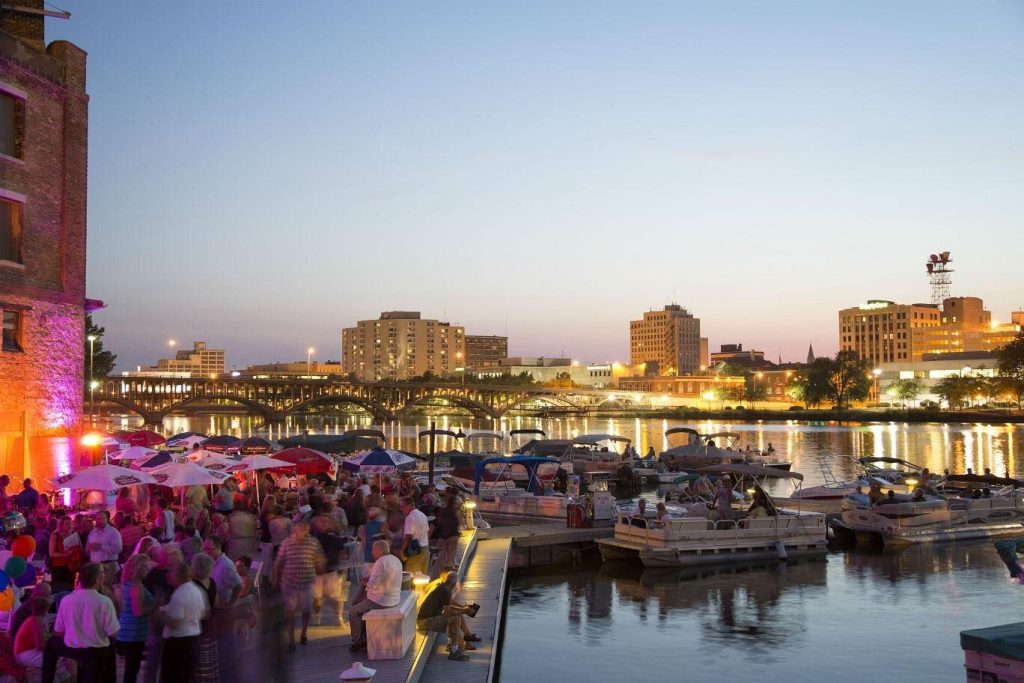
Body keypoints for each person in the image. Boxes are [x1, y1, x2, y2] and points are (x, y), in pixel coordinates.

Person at [41, 562, 120, 683]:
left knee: (51, 645)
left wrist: (76, 634)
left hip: (71, 648)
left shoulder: (66, 599)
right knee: (109, 648)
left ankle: (47, 679)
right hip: (95, 651)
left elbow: (58, 630)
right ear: (98, 578)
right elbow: (113, 632)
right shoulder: (104, 601)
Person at [273, 520, 325, 653]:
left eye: (305, 529)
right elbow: (279, 563)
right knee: (289, 612)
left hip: (307, 583)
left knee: (306, 611)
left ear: (308, 530)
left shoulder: (313, 542)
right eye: (300, 528)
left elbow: (320, 561)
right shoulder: (287, 543)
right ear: (295, 530)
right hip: (289, 583)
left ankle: (303, 632)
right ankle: (291, 641)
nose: (302, 531)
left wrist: (321, 572)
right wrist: (276, 580)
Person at [348, 539, 402, 653]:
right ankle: (364, 637)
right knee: (360, 605)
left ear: (379, 549)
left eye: (373, 549)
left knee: (353, 611)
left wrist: (365, 583)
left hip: (381, 600)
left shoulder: (380, 562)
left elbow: (373, 584)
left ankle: (357, 642)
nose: (372, 552)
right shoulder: (395, 559)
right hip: (395, 598)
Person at [158, 561, 207, 683]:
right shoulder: (196, 590)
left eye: (172, 573)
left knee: (174, 678)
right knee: (189, 677)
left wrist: (159, 616)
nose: (170, 576)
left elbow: (176, 624)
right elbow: (203, 614)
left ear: (178, 576)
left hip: (178, 644)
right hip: (194, 639)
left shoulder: (179, 595)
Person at [203, 535, 241, 682]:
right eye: (204, 548)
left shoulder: (226, 565)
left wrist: (230, 603)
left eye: (209, 549)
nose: (206, 551)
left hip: (223, 612)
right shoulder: (212, 562)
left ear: (218, 548)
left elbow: (238, 585)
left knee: (226, 646)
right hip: (215, 610)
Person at [416, 572, 474, 661]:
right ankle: (454, 651)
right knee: (455, 619)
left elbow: (448, 606)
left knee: (457, 616)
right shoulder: (446, 591)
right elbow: (447, 613)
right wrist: (463, 611)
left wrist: (462, 609)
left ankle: (452, 645)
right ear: (453, 584)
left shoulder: (441, 586)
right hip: (426, 621)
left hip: (425, 619)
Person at [115, 554, 154, 683]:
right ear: (139, 568)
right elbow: (138, 611)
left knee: (130, 667)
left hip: (125, 628)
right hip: (134, 632)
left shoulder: (125, 583)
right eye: (145, 567)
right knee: (132, 669)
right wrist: (155, 605)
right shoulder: (137, 586)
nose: (148, 570)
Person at [15, 596, 69, 681]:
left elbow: (43, 639)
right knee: (60, 658)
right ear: (44, 609)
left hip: (27, 653)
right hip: (25, 655)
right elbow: (40, 646)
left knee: (61, 659)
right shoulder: (36, 621)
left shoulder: (34, 619)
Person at [434, 491, 461, 575]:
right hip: (453, 534)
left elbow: (439, 522)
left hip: (443, 535)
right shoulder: (455, 511)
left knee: (443, 553)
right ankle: (451, 573)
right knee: (451, 553)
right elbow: (459, 523)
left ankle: (442, 572)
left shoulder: (442, 511)